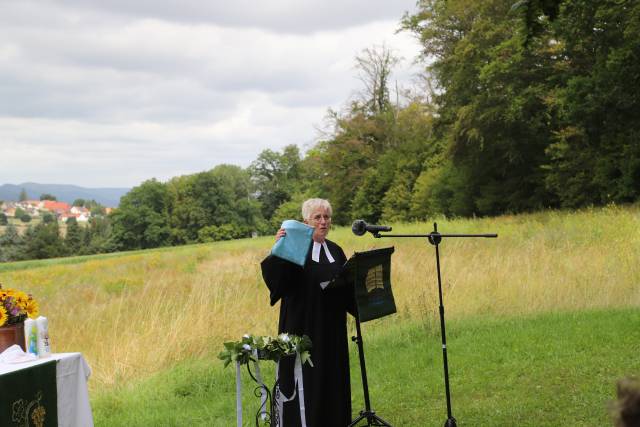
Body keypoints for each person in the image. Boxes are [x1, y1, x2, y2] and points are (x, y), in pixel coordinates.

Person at [261, 198, 355, 426]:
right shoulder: (294, 250)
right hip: (302, 328)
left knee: (333, 378)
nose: (324, 222)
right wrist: (277, 251)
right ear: (306, 222)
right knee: (307, 382)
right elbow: (277, 280)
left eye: (327, 217)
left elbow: (347, 285)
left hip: (331, 329)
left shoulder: (335, 250)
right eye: (318, 217)